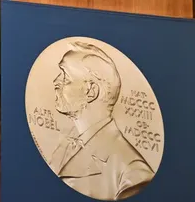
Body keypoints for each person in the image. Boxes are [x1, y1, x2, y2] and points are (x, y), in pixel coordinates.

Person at [50, 42, 154, 200]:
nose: (56, 82)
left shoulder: (133, 174)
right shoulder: (64, 144)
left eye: (65, 76)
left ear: (91, 92)